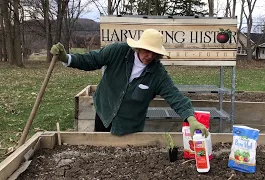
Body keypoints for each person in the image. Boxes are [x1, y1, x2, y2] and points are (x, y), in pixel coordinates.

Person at [50, 28, 209, 137]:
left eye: (154, 53)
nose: (149, 56)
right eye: (147, 50)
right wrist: (67, 58)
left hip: (130, 126)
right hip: (105, 112)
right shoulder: (118, 51)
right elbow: (92, 60)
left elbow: (175, 96)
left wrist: (191, 118)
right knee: (100, 151)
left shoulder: (158, 74)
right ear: (138, 47)